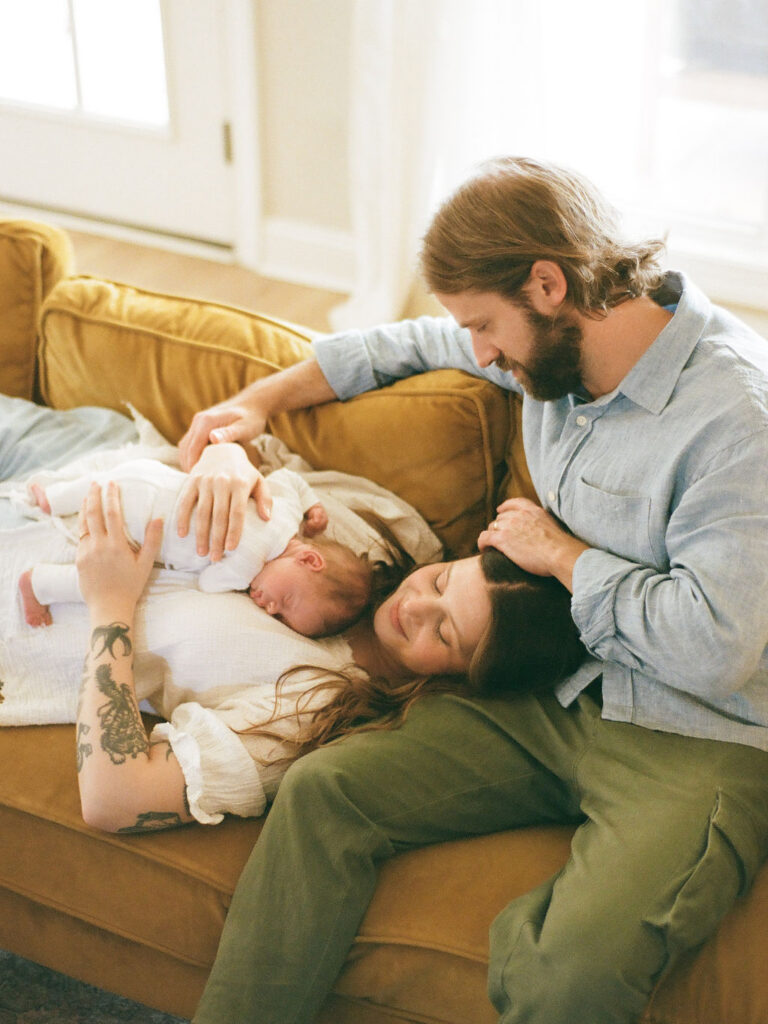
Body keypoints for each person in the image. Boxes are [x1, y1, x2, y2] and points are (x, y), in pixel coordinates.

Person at [177, 156, 768, 1024]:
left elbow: (714, 648)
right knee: (322, 791)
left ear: (548, 282)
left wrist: (563, 556)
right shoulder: (554, 351)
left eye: (486, 326)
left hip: (696, 732)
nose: (479, 352)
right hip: (557, 688)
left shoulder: (737, 421)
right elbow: (406, 345)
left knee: (566, 979)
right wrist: (260, 403)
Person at [70, 478, 583, 835]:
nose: (414, 605)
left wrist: (110, 603)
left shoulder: (315, 709)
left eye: (444, 631)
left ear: (464, 679)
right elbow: (259, 465)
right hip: (87, 476)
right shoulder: (383, 533)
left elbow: (115, 799)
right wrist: (228, 461)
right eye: (441, 580)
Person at [17, 457, 374, 638]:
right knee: (114, 581)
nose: (269, 609)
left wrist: (312, 505)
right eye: (287, 602)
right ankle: (39, 584)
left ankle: (50, 497)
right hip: (136, 523)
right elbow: (207, 584)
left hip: (149, 476)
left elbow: (289, 479)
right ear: (310, 559)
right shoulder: (249, 562)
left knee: (97, 487)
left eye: (279, 617)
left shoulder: (284, 511)